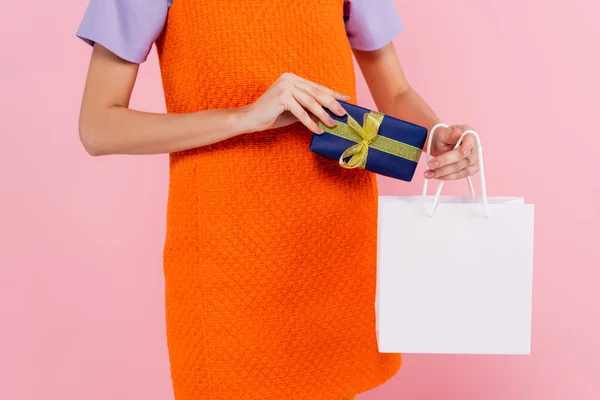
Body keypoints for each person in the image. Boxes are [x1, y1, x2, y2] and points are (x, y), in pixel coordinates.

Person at [76, 1, 480, 399]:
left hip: (334, 240)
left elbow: (396, 90)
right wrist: (244, 117)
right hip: (224, 255)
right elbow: (99, 127)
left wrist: (438, 135)